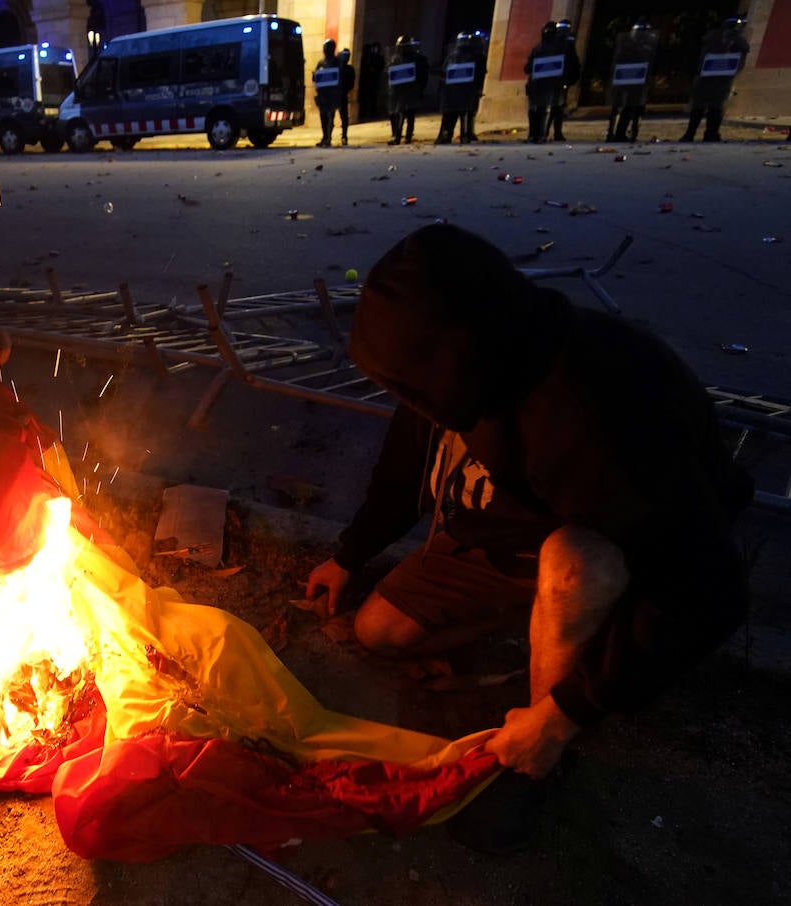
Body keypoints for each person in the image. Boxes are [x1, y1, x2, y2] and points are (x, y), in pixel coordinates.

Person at [305, 223, 751, 852]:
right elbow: (402, 471)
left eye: (407, 385)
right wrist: (350, 555)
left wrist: (566, 711)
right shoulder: (457, 366)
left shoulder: (599, 413)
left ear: (458, 354)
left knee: (571, 566)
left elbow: (709, 590)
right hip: (500, 539)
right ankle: (553, 633)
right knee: (378, 631)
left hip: (613, 550)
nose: (405, 397)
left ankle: (543, 752)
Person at [679, 17, 751, 143]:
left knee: (715, 106)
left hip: (722, 77)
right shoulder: (713, 39)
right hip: (708, 76)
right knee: (701, 105)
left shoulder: (736, 42)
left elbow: (740, 58)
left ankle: (710, 133)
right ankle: (692, 133)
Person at [606, 19, 659, 143]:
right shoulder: (627, 46)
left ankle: (622, 133)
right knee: (624, 107)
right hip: (626, 79)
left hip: (634, 80)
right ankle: (616, 133)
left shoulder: (642, 47)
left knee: (631, 107)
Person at [436, 31, 485, 144]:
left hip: (451, 93)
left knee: (449, 116)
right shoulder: (476, 57)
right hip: (466, 92)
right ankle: (466, 135)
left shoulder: (451, 56)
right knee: (466, 114)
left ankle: (445, 135)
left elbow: (444, 73)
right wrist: (478, 88)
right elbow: (479, 74)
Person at [524, 22, 567, 143]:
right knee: (543, 110)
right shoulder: (560, 49)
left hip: (536, 84)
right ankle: (541, 134)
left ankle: (533, 135)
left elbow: (527, 68)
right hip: (549, 85)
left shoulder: (537, 48)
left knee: (534, 110)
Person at [386, 35, 429, 145]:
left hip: (411, 89)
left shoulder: (417, 58)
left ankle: (407, 136)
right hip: (399, 91)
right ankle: (397, 136)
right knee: (399, 113)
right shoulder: (395, 58)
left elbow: (422, 75)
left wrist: (420, 89)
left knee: (410, 113)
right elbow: (389, 72)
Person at [312, 41, 355, 147]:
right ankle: (325, 137)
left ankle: (341, 136)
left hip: (336, 94)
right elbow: (316, 77)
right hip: (324, 94)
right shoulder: (321, 63)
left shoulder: (338, 62)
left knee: (337, 116)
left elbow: (343, 78)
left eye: (327, 48)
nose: (325, 50)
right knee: (324, 116)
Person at [546, 18, 582, 141]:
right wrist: (573, 77)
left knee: (551, 106)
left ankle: (544, 132)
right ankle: (556, 133)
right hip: (561, 79)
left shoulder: (550, 41)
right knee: (558, 107)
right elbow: (573, 60)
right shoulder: (568, 42)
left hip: (550, 79)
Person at [358, 41, 385, 121]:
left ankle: (373, 112)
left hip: (374, 80)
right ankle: (364, 112)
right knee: (365, 98)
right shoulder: (365, 58)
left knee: (373, 98)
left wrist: (374, 69)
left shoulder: (378, 58)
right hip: (366, 81)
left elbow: (380, 67)